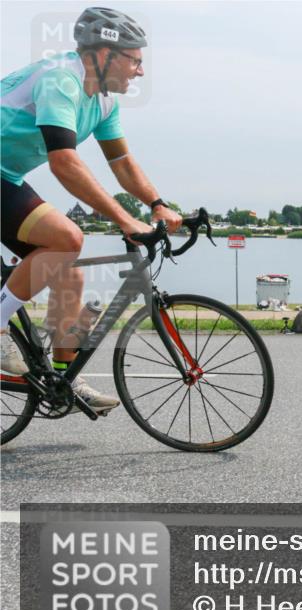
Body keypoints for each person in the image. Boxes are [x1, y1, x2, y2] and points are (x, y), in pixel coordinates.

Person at [0, 7, 183, 411]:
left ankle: (64, 379)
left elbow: (123, 164)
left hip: (6, 178)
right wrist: (125, 219)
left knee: (68, 271)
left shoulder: (102, 102)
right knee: (67, 237)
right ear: (103, 54)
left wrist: (155, 204)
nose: (139, 72)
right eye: (134, 60)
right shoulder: (60, 80)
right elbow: (63, 161)